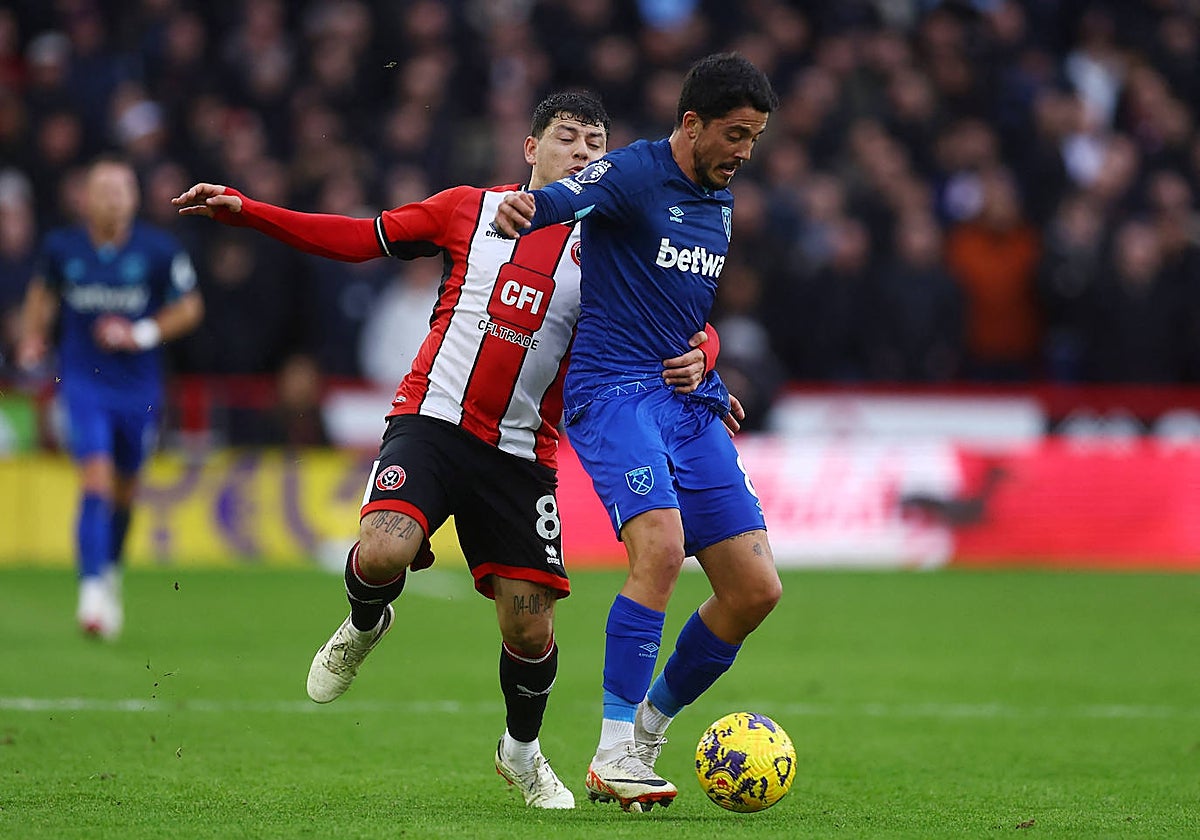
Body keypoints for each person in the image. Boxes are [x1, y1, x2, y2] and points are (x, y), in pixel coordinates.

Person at [173, 91, 728, 810]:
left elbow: (681, 327)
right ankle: (365, 622)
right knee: (382, 548)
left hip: (522, 454)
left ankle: (522, 753)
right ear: (532, 149)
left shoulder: (614, 248)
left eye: (598, 144)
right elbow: (357, 237)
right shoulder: (468, 207)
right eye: (568, 138)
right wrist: (250, 211)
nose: (585, 153)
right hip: (431, 420)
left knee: (530, 628)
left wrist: (707, 354)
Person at [492, 53, 782, 812]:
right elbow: (564, 196)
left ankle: (648, 729)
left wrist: (704, 357)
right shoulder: (631, 173)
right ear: (691, 124)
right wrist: (529, 208)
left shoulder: (719, 200)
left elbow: (682, 309)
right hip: (612, 394)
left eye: (754, 137)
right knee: (659, 544)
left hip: (686, 404)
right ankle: (612, 750)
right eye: (736, 134)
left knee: (755, 590)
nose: (745, 151)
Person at [17, 154, 204, 640]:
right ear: (86, 198)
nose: (114, 198)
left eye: (123, 189)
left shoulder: (159, 250)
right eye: (105, 190)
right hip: (82, 381)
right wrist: (33, 337)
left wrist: (140, 333)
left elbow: (189, 308)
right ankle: (92, 591)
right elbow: (42, 294)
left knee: (124, 491)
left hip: (139, 388)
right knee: (95, 478)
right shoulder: (62, 247)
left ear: (135, 197)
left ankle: (110, 571)